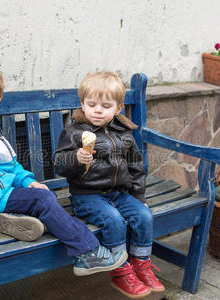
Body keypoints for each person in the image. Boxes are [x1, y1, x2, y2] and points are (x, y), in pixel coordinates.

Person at [0, 60, 127, 276]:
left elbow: (10, 167)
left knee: (42, 193)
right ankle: (88, 252)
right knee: (42, 201)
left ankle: (11, 220)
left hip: (2, 195)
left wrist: (27, 181)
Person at [53, 71, 165, 298]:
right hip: (87, 196)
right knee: (114, 221)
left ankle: (141, 264)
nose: (97, 110)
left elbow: (135, 167)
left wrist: (139, 198)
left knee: (144, 216)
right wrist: (76, 158)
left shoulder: (124, 132)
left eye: (105, 106)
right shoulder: (74, 132)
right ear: (82, 104)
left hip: (120, 194)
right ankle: (119, 271)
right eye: (91, 104)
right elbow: (58, 163)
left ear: (118, 108)